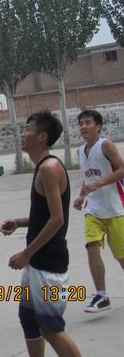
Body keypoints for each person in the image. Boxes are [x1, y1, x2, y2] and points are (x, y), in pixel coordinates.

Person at [0, 111, 81, 357]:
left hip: (48, 266)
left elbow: (57, 219)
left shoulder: (49, 168)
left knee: (51, 329)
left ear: (42, 137)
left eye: (28, 129)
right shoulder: (43, 167)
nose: (23, 134)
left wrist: (26, 253)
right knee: (28, 318)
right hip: (37, 264)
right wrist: (18, 222)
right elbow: (45, 215)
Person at [73, 109, 124, 313]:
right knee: (91, 246)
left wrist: (99, 183)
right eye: (81, 124)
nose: (83, 127)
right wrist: (81, 196)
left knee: (121, 257)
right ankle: (101, 296)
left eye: (87, 123)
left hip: (115, 208)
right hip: (93, 209)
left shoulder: (106, 145)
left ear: (98, 126)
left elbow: (122, 169)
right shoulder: (80, 151)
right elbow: (88, 178)